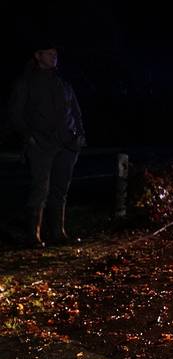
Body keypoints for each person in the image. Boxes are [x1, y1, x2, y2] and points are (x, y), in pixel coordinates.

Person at [7, 43, 85, 247]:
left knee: (60, 189)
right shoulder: (26, 82)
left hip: (66, 144)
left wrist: (79, 136)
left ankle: (58, 233)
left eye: (55, 53)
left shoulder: (63, 84)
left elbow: (75, 111)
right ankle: (33, 235)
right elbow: (15, 113)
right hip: (41, 144)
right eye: (49, 53)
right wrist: (29, 136)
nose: (54, 56)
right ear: (38, 55)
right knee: (40, 189)